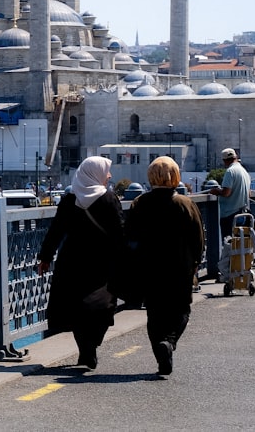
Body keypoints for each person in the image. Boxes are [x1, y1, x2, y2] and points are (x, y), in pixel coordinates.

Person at [37, 156, 124, 370]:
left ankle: (87, 349)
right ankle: (90, 347)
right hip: (102, 262)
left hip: (72, 261)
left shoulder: (69, 200)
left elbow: (55, 232)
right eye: (107, 171)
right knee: (104, 305)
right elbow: (120, 231)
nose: (110, 176)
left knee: (78, 307)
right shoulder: (109, 199)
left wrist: (46, 258)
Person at [124, 156, 205, 376]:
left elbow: (129, 235)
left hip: (149, 267)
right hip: (180, 267)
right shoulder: (184, 203)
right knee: (181, 309)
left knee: (155, 313)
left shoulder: (139, 203)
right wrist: (196, 262)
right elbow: (197, 237)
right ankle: (169, 343)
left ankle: (161, 353)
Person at [207, 147, 250, 241]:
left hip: (230, 215)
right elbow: (248, 193)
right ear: (236, 157)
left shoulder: (230, 171)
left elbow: (226, 192)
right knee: (240, 244)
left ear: (225, 160)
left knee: (228, 244)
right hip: (243, 214)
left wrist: (215, 191)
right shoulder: (244, 171)